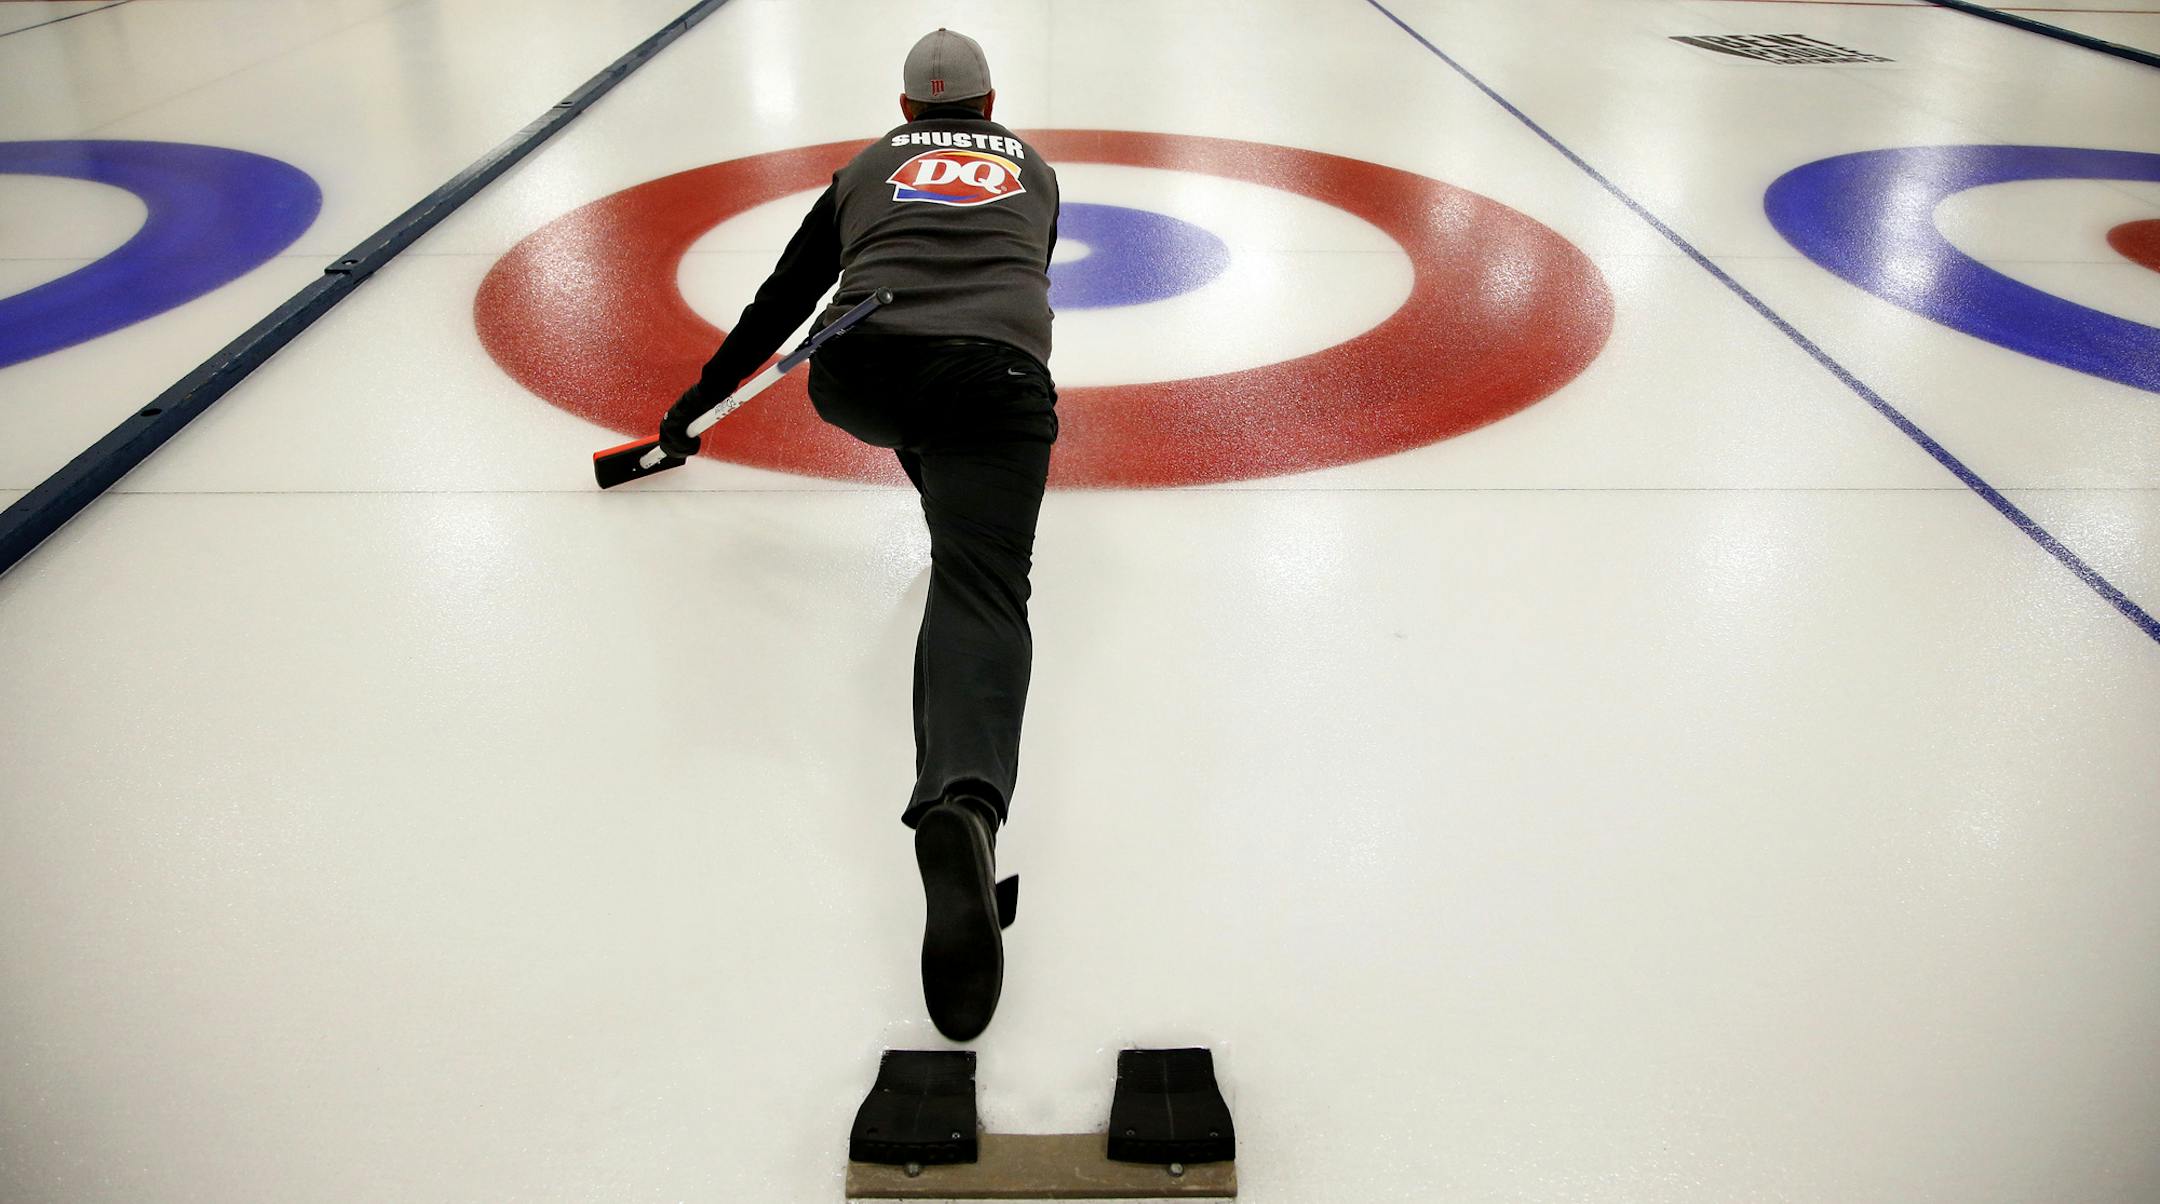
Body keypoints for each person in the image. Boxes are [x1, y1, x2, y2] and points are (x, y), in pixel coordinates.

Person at [657, 28, 1059, 1042]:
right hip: (993, 381)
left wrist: (695, 404)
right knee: (979, 586)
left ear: (907, 109)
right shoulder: (1037, 170)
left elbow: (783, 299)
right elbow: (1023, 278)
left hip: (861, 370)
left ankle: (941, 502)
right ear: (991, 105)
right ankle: (963, 805)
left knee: (922, 417)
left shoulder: (864, 168)